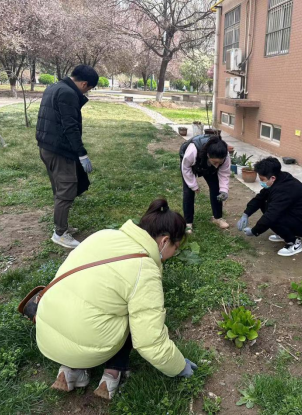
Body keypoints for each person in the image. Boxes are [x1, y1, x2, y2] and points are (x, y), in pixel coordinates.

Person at [35, 199, 198, 400]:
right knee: (134, 315)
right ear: (164, 241)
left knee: (93, 304)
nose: (174, 253)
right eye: (176, 247)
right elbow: (149, 341)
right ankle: (112, 373)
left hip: (46, 330)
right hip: (87, 342)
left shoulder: (104, 234)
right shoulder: (144, 269)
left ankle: (70, 370)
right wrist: (179, 366)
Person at [36, 65, 99, 249]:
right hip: (59, 150)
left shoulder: (54, 87)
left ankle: (62, 225)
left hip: (47, 146)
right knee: (66, 190)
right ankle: (60, 233)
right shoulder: (68, 93)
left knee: (60, 188)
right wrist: (82, 153)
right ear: (84, 84)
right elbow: (70, 127)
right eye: (89, 88)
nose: (87, 92)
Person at [237, 157, 302, 257]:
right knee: (265, 204)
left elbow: (271, 215)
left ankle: (293, 242)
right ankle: (284, 234)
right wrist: (246, 214)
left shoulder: (284, 189)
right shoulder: (279, 178)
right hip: (296, 215)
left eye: (262, 179)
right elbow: (260, 198)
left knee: (273, 216)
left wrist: (254, 231)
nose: (261, 182)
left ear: (272, 178)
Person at [180, 134, 232, 234]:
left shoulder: (224, 155)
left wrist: (224, 190)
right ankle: (188, 223)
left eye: (220, 163)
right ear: (208, 155)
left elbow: (224, 173)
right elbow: (186, 168)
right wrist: (193, 185)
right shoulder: (193, 150)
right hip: (190, 164)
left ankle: (217, 218)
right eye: (215, 162)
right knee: (188, 192)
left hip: (207, 163)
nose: (217, 166)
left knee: (216, 188)